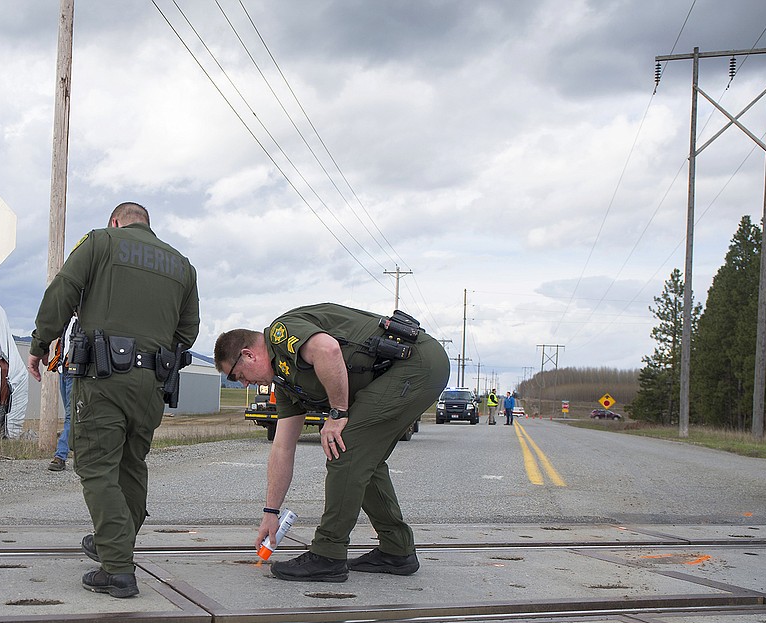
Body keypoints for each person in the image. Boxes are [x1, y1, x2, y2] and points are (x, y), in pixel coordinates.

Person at [26, 202, 199, 598]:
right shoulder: (183, 265)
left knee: (98, 466)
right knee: (132, 465)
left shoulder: (100, 241)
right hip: (152, 382)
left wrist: (40, 342)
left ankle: (117, 568)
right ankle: (116, 541)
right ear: (148, 226)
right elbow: (188, 330)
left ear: (116, 221)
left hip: (103, 377)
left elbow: (63, 290)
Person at [215, 304, 449, 583]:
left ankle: (328, 555)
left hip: (417, 364)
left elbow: (328, 350)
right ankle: (397, 550)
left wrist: (337, 413)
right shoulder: (287, 383)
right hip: (411, 370)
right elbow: (283, 448)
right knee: (364, 462)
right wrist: (270, 513)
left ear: (248, 355)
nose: (243, 385)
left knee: (344, 448)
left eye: (238, 376)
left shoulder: (281, 333)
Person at [46, 316, 78, 472]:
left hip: (75, 373)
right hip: (63, 370)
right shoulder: (66, 321)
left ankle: (60, 456)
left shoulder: (86, 321)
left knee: (71, 416)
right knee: (72, 415)